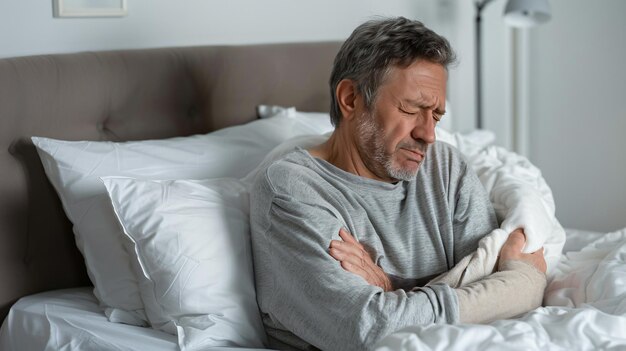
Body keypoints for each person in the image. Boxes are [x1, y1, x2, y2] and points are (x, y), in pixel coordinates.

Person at [249, 17, 547, 351]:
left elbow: (497, 299)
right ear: (350, 98)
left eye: (436, 115)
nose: (428, 134)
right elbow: (369, 330)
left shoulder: (446, 169)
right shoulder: (293, 191)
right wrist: (524, 282)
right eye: (412, 109)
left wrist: (390, 291)